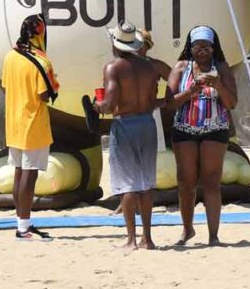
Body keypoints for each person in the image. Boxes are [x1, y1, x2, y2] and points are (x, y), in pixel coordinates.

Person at [167, 25, 238, 246]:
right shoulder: (181, 67)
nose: (202, 51)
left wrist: (218, 85)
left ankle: (213, 235)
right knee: (186, 182)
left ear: (213, 47)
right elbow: (169, 102)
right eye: (197, 46)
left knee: (212, 182)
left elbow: (232, 103)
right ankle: (187, 230)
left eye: (206, 46)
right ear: (190, 47)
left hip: (215, 129)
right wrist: (191, 91)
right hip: (185, 129)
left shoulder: (222, 68)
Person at [94, 21, 162, 250]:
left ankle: (131, 239)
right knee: (146, 183)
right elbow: (154, 100)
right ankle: (148, 238)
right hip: (147, 123)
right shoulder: (150, 68)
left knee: (127, 184)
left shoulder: (113, 68)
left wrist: (97, 105)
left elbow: (110, 104)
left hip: (125, 124)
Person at [4, 14, 60, 241]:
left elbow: (8, 84)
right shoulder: (41, 61)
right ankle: (23, 228)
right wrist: (55, 80)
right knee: (29, 175)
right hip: (33, 123)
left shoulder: (10, 56)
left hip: (14, 123)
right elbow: (46, 94)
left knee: (18, 174)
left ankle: (22, 222)